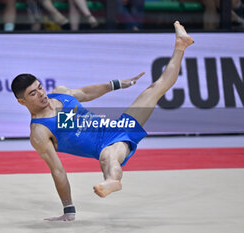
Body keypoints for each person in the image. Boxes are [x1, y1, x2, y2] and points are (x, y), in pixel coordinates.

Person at [11, 21, 194, 221]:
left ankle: (180, 45)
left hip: (117, 126)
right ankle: (112, 181)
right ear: (22, 101)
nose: (41, 94)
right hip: (106, 145)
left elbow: (86, 93)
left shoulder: (60, 93)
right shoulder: (39, 132)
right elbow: (57, 170)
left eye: (40, 87)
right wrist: (68, 209)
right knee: (108, 157)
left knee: (155, 89)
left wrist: (116, 84)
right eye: (33, 93)